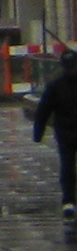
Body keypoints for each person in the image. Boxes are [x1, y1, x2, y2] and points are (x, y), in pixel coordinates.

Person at [30, 59, 77, 220]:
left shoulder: (55, 86)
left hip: (65, 129)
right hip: (65, 132)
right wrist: (38, 132)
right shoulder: (56, 86)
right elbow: (44, 109)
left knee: (67, 166)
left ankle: (70, 200)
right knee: (67, 166)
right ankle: (69, 200)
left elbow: (44, 109)